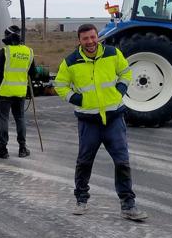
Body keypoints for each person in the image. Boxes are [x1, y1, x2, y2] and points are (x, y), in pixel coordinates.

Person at [54, 24, 147, 221]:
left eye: (92, 37)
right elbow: (60, 84)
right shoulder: (70, 62)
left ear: (98, 37)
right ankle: (81, 200)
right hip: (89, 122)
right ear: (79, 41)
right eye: (85, 38)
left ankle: (128, 205)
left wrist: (120, 90)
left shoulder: (113, 54)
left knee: (122, 162)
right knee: (84, 162)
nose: (90, 42)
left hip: (114, 118)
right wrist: (77, 99)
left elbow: (126, 72)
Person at [0, 25, 36, 159]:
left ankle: (3, 150)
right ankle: (22, 149)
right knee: (20, 119)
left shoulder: (5, 51)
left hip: (4, 92)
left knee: (3, 120)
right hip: (20, 92)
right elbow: (33, 73)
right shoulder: (29, 52)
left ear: (7, 38)